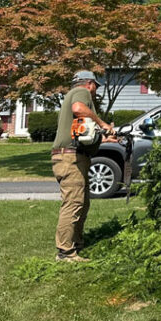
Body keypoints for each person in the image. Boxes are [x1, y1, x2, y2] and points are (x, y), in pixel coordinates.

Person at [51, 70, 116, 262]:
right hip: (70, 159)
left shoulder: (73, 94)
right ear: (88, 83)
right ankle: (65, 253)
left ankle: (76, 244)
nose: (95, 90)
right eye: (95, 85)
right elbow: (79, 108)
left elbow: (82, 135)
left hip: (74, 156)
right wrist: (103, 123)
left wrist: (104, 139)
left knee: (82, 203)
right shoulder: (82, 93)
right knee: (73, 204)